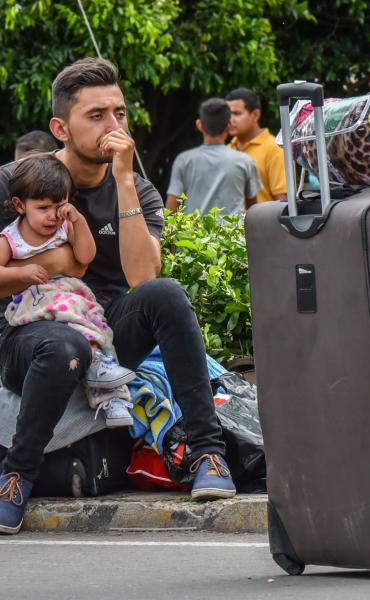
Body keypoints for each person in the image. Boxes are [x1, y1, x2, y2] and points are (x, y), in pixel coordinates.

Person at [0, 57, 235, 536]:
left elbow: (143, 276)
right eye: (97, 115)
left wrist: (124, 181)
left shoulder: (139, 190)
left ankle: (208, 452)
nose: (114, 126)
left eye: (120, 113)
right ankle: (15, 478)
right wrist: (35, 271)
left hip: (105, 331)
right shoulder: (14, 184)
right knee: (63, 345)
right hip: (28, 331)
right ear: (60, 128)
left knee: (166, 295)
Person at [0, 154, 135, 428]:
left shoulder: (64, 226)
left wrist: (78, 223)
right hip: (33, 301)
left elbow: (85, 256)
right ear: (19, 205)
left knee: (92, 323)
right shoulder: (10, 238)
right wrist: (20, 273)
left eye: (59, 205)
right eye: (43, 207)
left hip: (71, 297)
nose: (52, 215)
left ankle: (112, 395)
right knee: (73, 323)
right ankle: (99, 368)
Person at [166, 98, 261, 215]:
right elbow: (254, 211)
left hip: (192, 233)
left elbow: (170, 211)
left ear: (199, 125)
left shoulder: (184, 160)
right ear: (229, 124)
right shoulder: (245, 161)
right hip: (233, 233)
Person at [226, 88, 287, 204]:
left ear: (255, 115)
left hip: (262, 221)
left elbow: (282, 203)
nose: (230, 120)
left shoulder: (275, 149)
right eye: (227, 114)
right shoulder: (228, 149)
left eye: (236, 113)